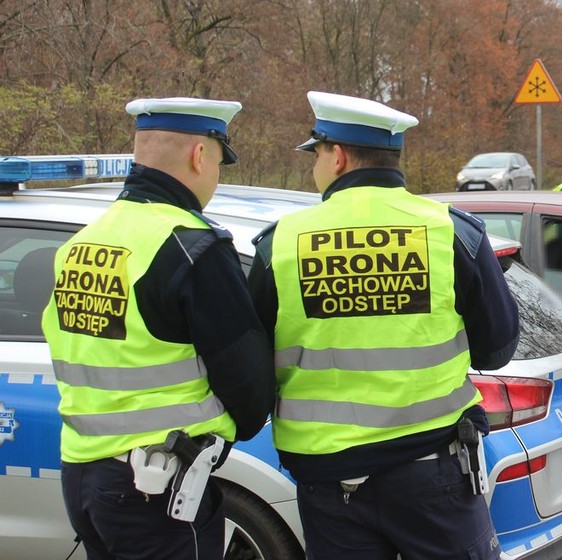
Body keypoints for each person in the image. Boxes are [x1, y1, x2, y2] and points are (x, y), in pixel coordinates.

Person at [247, 91, 520, 559]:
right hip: (435, 472)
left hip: (330, 483)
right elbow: (497, 350)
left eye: (316, 154)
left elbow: (250, 368)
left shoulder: (282, 243)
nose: (315, 165)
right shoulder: (451, 231)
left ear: (338, 157)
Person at [41, 97, 276, 559]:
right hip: (157, 485)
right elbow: (246, 379)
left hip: (84, 476)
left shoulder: (82, 243)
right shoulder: (192, 245)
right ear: (199, 155)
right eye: (218, 162)